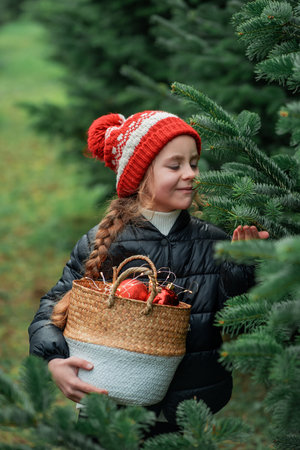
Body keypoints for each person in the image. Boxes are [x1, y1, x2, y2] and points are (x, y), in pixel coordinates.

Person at [28, 110, 269, 436]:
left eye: (194, 163)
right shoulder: (105, 240)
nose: (191, 174)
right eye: (175, 165)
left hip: (187, 412)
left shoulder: (214, 242)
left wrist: (243, 266)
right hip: (108, 407)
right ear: (140, 174)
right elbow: (54, 305)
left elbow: (238, 316)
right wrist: (54, 361)